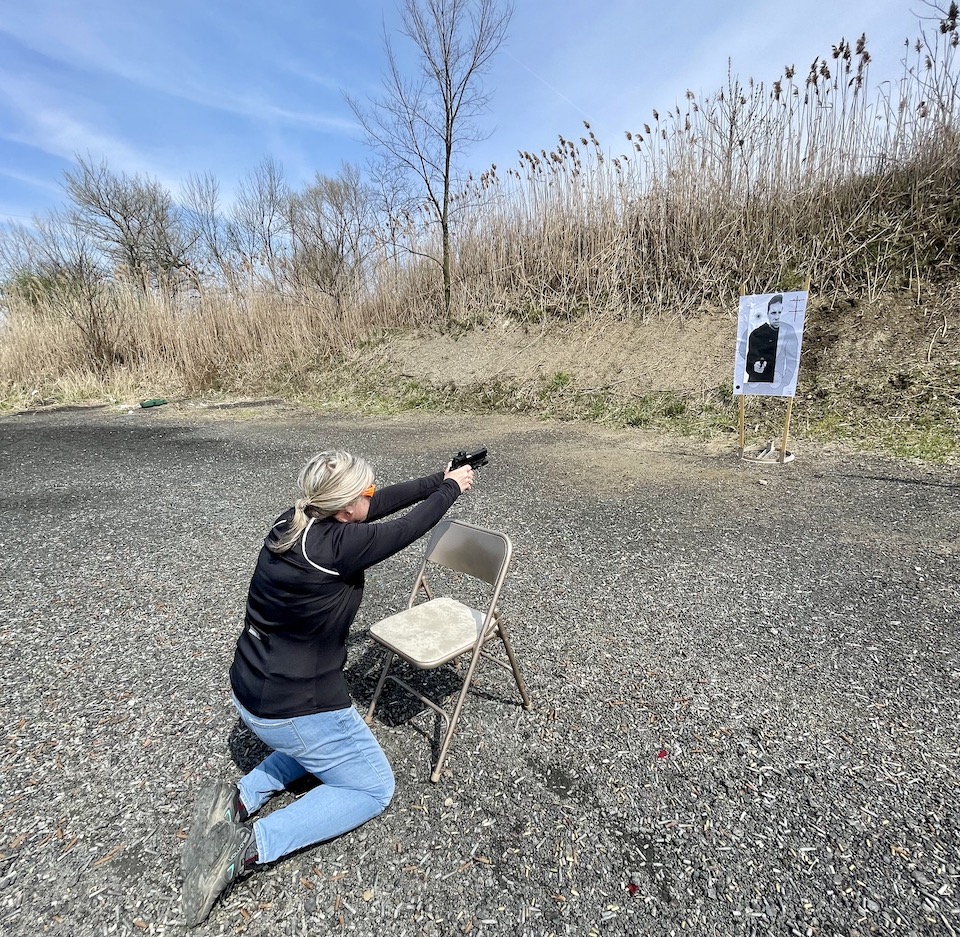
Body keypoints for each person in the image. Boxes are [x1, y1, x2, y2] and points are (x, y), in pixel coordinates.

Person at [181, 449, 475, 926]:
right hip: (294, 705)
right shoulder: (338, 549)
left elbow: (373, 509)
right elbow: (406, 528)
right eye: (367, 491)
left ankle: (238, 797)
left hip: (251, 685)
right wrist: (450, 490)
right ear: (344, 508)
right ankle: (250, 846)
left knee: (315, 745)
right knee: (373, 786)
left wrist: (432, 480)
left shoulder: (293, 521)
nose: (373, 497)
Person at [743, 294, 799, 394]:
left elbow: (792, 361)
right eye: (773, 313)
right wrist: (755, 367)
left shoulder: (789, 332)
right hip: (756, 385)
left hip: (778, 386)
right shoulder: (757, 334)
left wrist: (784, 383)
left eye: (780, 313)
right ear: (768, 314)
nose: (777, 317)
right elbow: (750, 361)